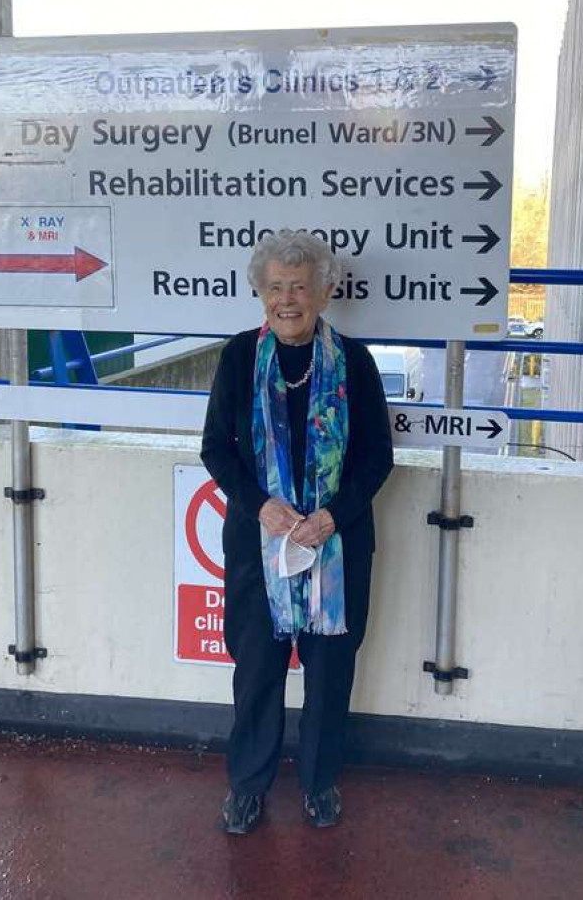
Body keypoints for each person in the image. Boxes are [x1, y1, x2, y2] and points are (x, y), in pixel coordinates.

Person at [201, 228, 393, 834]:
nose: (288, 299)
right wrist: (260, 506)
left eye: (301, 287)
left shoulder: (354, 363)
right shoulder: (237, 357)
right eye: (276, 287)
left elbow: (376, 457)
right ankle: (248, 786)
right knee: (256, 667)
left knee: (330, 671)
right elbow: (216, 450)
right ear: (260, 294)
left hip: (336, 543)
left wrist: (333, 515)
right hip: (261, 547)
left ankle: (318, 782)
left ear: (324, 293)